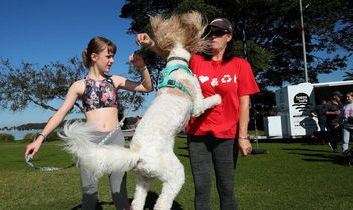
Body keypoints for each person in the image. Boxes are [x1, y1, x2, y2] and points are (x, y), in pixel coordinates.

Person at [136, 17, 259, 210]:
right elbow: (170, 54)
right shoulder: (196, 60)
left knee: (226, 188)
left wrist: (243, 136)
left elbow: (244, 103)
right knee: (201, 189)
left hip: (227, 135)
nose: (213, 37)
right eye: (210, 33)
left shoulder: (240, 65)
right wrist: (150, 42)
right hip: (197, 136)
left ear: (229, 36)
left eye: (219, 33)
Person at [24, 36, 153, 210]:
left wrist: (142, 67)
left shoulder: (115, 80)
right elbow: (60, 113)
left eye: (113, 56)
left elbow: (147, 87)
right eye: (108, 56)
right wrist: (40, 138)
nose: (112, 60)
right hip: (91, 143)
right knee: (89, 195)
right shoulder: (79, 85)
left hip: (116, 140)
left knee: (120, 195)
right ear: (94, 57)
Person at [341, 92, 353, 156]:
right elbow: (342, 116)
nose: (347, 98)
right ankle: (344, 155)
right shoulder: (345, 106)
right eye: (346, 97)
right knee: (345, 141)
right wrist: (340, 123)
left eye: (348, 97)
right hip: (345, 126)